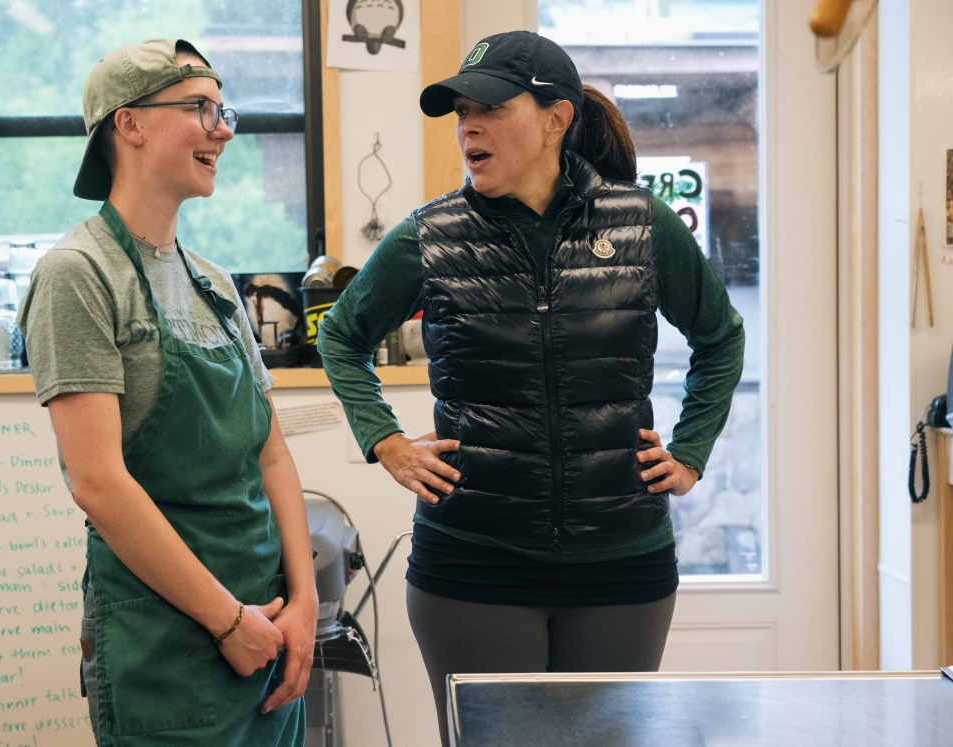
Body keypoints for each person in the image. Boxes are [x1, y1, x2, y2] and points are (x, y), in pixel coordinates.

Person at [318, 31, 744, 745]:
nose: (467, 126)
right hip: (472, 565)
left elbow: (721, 336)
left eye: (487, 106)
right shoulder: (431, 236)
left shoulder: (641, 225)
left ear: (556, 119)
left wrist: (691, 449)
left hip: (621, 563)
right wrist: (385, 441)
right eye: (459, 112)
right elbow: (341, 335)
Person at [17, 39, 315, 747]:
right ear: (130, 124)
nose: (224, 128)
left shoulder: (214, 282)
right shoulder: (78, 276)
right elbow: (99, 483)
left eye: (224, 109)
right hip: (167, 646)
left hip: (267, 635)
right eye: (200, 108)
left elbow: (271, 455)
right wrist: (226, 619)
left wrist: (304, 600)